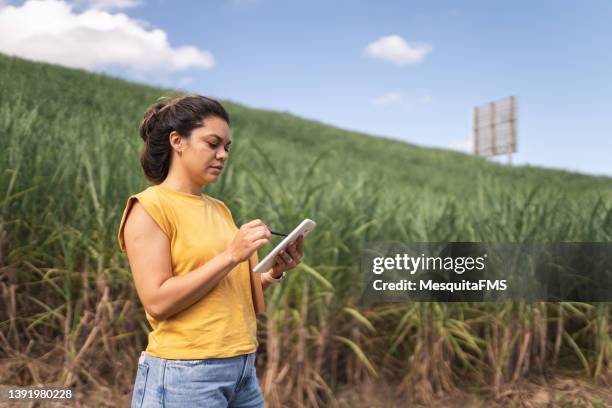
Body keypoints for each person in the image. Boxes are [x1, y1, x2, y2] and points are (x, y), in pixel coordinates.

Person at [117, 94, 304, 407]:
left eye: (227, 147)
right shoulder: (149, 208)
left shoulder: (220, 210)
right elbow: (158, 301)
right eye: (213, 143)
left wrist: (273, 272)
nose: (223, 155)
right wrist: (231, 255)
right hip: (186, 374)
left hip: (242, 368)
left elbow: (226, 290)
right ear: (178, 141)